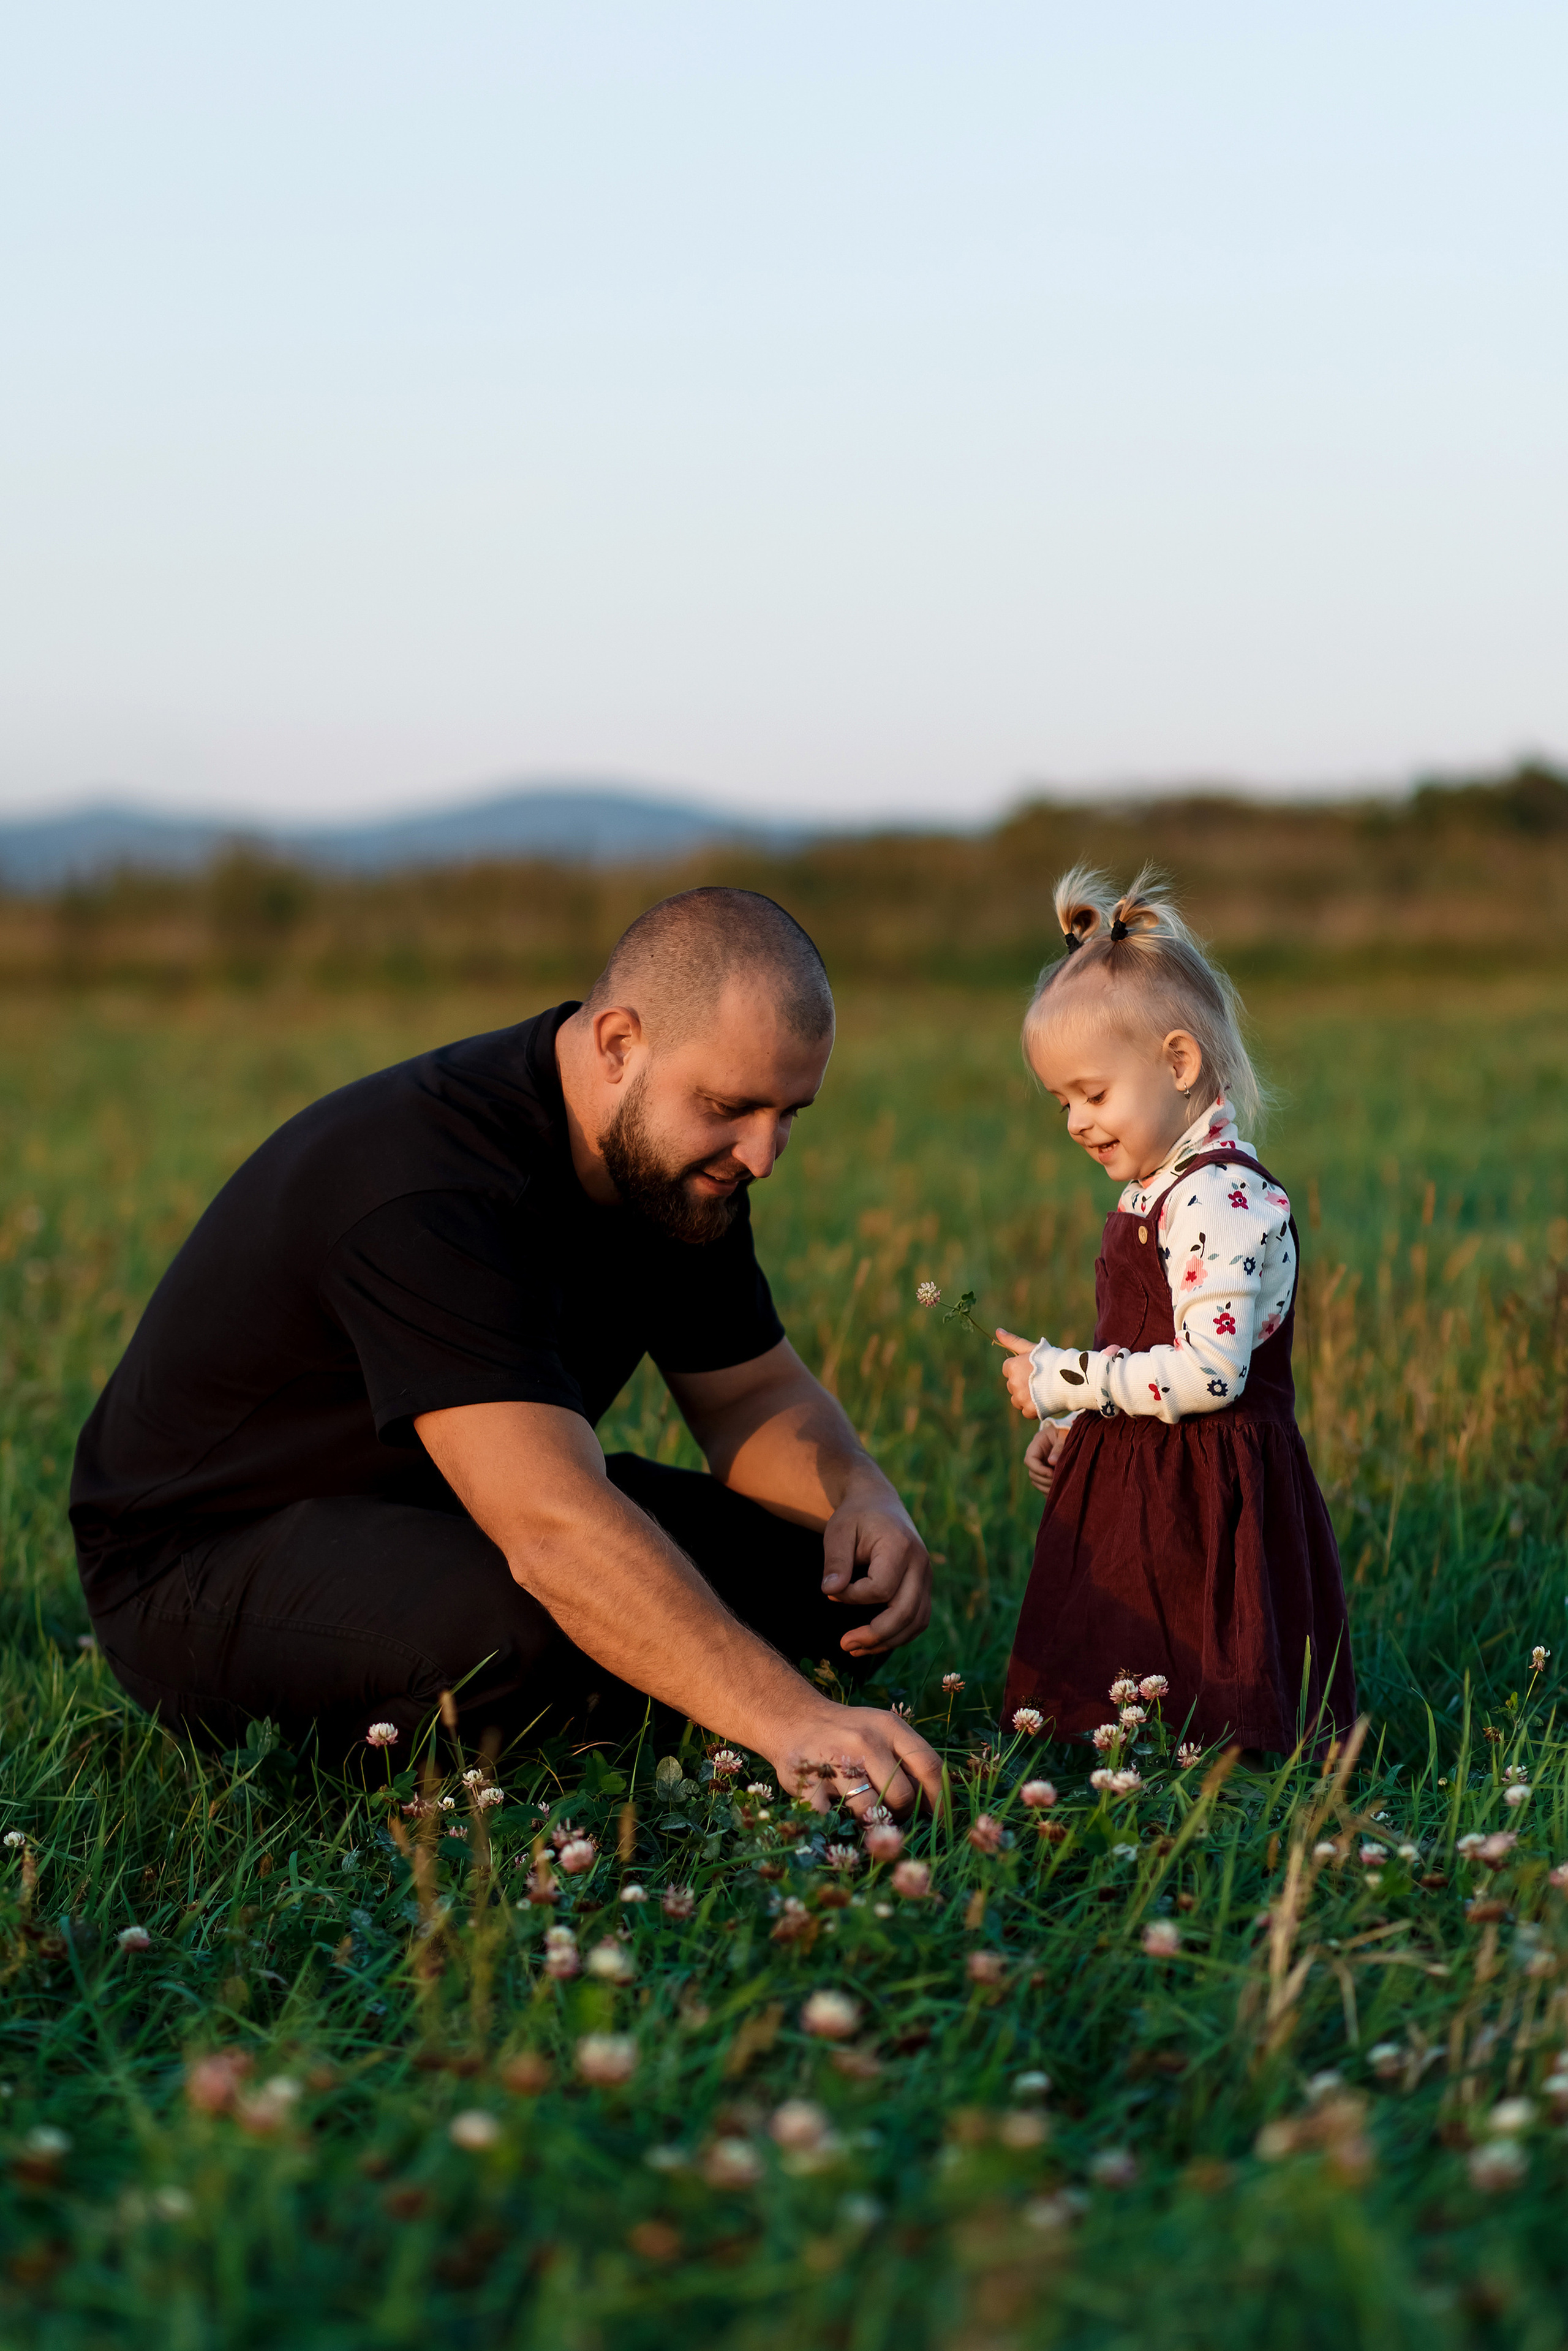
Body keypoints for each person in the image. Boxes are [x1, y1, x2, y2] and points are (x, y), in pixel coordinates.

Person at [70, 887, 940, 1816]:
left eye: (789, 1112)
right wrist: (786, 1718)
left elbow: (749, 1395)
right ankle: (452, 1752)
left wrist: (858, 1491)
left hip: (438, 1505)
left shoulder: (679, 1170)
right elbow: (552, 1528)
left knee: (836, 1579)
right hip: (197, 1562)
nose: (763, 1153)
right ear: (618, 1044)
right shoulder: (434, 1183)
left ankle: (618, 1695)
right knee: (527, 1623)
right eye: (732, 1106)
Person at [993, 865, 1355, 1754]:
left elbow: (1210, 1371)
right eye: (1063, 1102)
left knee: (1210, 1668)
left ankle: (1223, 1789)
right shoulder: (1157, 1187)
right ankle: (1118, 1771)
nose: (1077, 1121)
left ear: (1179, 1062)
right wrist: (1083, 1418)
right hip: (1149, 1479)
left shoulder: (1221, 1198)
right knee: (1124, 1656)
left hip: (1211, 1491)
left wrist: (1065, 1378)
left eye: (1094, 1093)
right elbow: (1142, 1337)